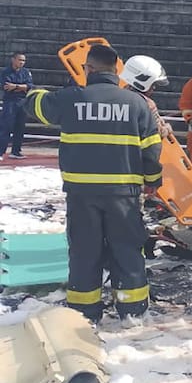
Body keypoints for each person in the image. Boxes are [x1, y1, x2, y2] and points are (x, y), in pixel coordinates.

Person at [25, 44, 162, 322]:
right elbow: (151, 149)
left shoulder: (71, 99)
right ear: (117, 70)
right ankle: (132, 311)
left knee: (84, 251)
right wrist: (152, 182)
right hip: (124, 194)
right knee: (127, 248)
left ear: (88, 69)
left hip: (81, 193)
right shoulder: (137, 104)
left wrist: (40, 91)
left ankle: (85, 312)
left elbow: (35, 103)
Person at [119, 55, 173, 139]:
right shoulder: (147, 104)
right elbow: (158, 132)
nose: (154, 88)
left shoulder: (116, 97)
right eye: (153, 84)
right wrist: (167, 128)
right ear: (143, 80)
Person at [0, 52, 33, 161]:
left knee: (20, 127)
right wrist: (21, 87)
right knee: (6, 127)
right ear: (13, 60)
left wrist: (16, 86)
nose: (22, 62)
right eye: (20, 60)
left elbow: (29, 86)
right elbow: (6, 86)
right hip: (10, 102)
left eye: (23, 60)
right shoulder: (5, 72)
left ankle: (16, 151)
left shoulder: (26, 72)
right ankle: (1, 151)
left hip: (22, 102)